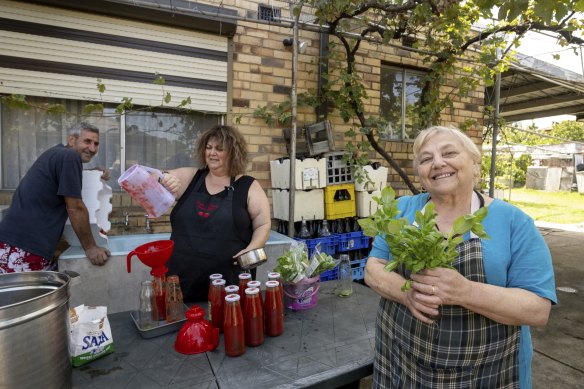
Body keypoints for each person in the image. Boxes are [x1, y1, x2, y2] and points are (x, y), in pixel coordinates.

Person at [365, 126, 556, 388]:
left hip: (489, 369)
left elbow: (537, 310)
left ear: (474, 163)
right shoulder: (400, 211)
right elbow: (374, 268)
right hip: (405, 359)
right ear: (420, 174)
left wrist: (463, 291)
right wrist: (406, 294)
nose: (438, 163)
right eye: (426, 158)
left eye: (449, 152)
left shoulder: (514, 222)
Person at [159, 125, 271, 302]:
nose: (212, 153)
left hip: (227, 285)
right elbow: (153, 177)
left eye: (219, 149)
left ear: (233, 153)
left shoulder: (248, 186)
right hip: (181, 281)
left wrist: (253, 247)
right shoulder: (191, 177)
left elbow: (263, 223)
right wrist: (164, 178)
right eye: (209, 147)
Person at [0, 123, 111, 273]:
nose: (92, 148)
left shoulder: (57, 153)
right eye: (87, 141)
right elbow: (75, 207)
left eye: (96, 143)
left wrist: (93, 173)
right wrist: (91, 247)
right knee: (30, 296)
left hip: (14, 242)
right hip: (24, 247)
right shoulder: (69, 157)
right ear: (71, 140)